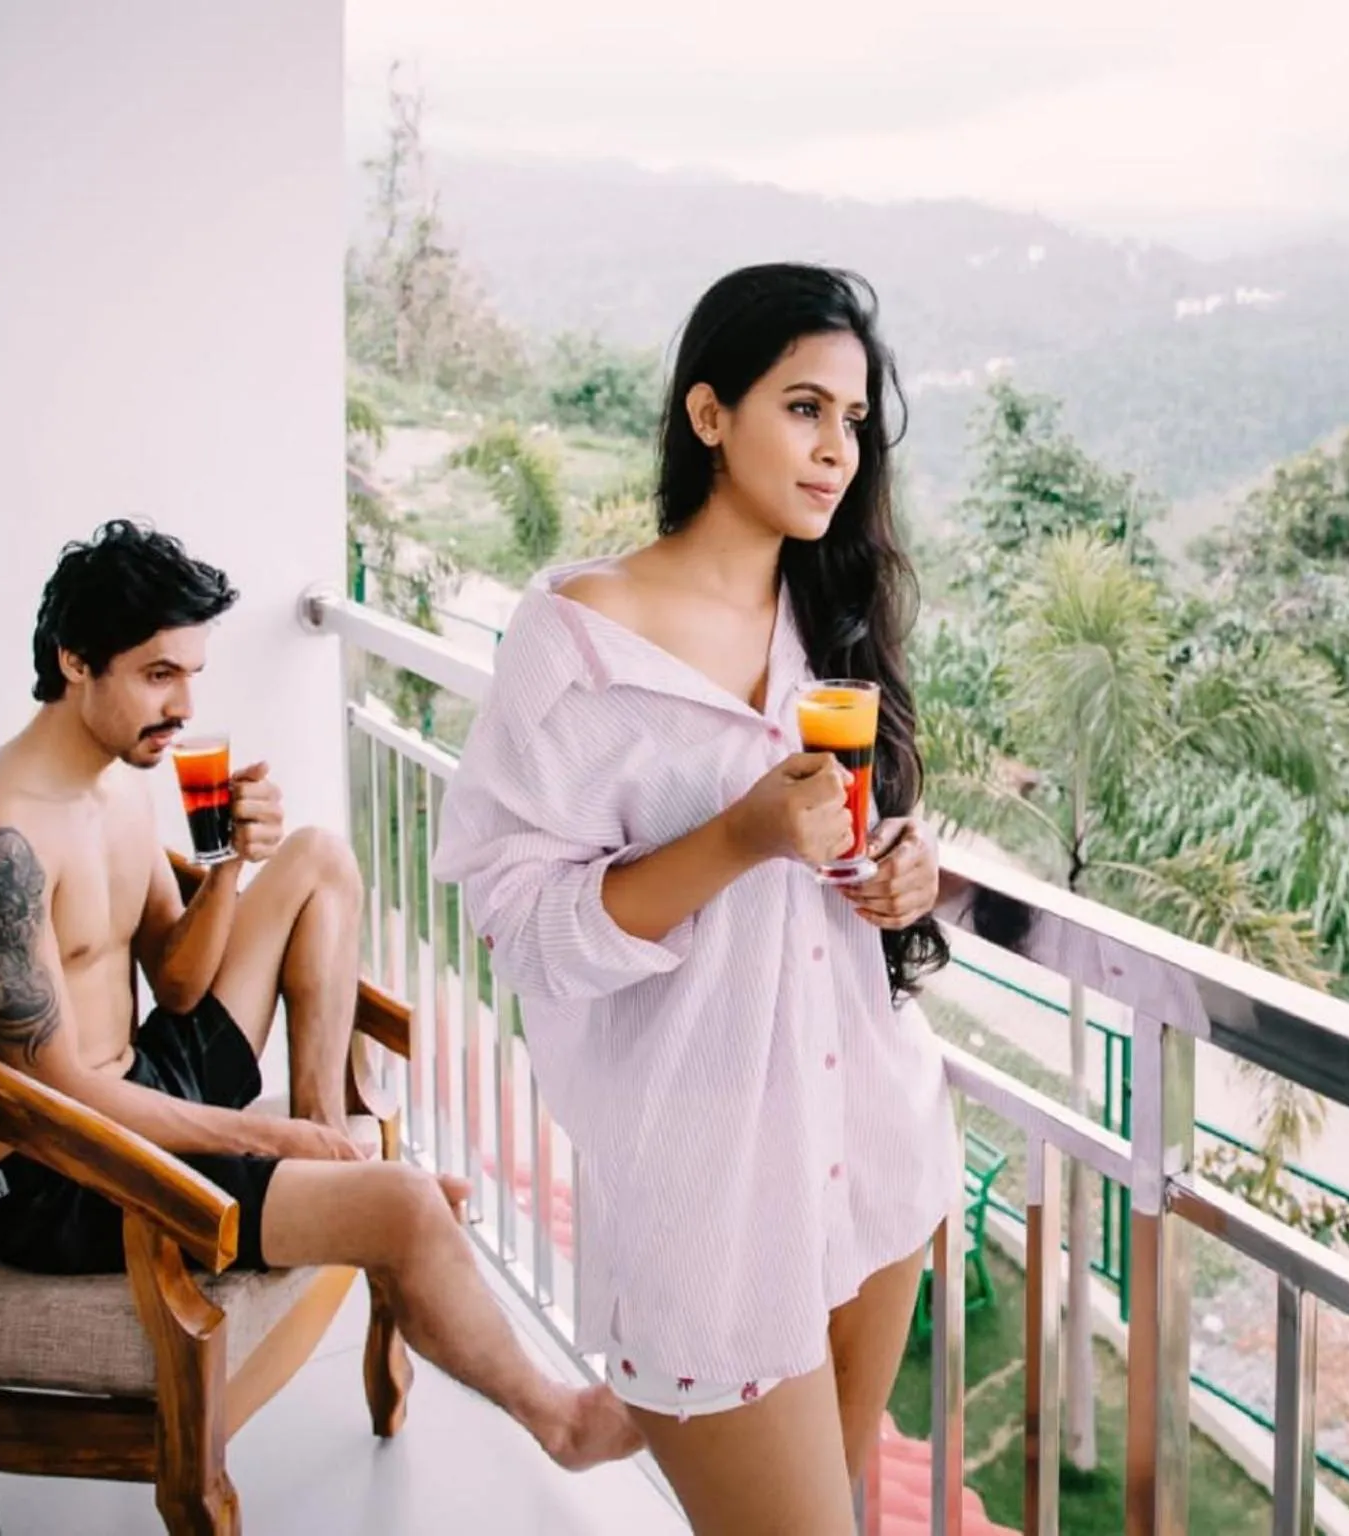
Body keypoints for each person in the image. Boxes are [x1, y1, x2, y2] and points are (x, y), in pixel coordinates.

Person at [0, 520, 639, 1473]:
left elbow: (175, 980)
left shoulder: (113, 788)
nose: (181, 705)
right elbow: (59, 1097)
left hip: (139, 1081)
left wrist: (227, 866)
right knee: (408, 1211)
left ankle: (330, 1134)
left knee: (319, 859)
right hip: (61, 1173)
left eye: (191, 675)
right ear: (75, 661)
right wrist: (264, 1138)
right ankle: (562, 1421)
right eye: (157, 675)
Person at [432, 263, 960, 1533]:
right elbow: (526, 933)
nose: (836, 451)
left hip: (870, 1144)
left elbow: (843, 859)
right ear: (708, 412)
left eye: (852, 420)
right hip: (706, 1192)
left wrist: (903, 872)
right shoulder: (583, 638)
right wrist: (736, 836)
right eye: (801, 408)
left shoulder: (825, 618)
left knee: (839, 1506)